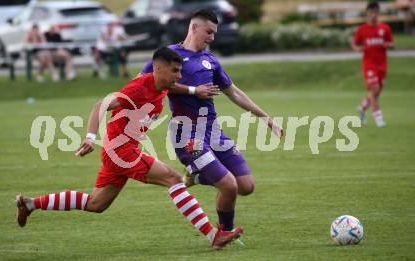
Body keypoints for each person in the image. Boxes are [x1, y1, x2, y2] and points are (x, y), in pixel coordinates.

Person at [15, 47, 243, 250]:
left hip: (118, 152)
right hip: (121, 152)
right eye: (174, 70)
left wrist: (194, 91)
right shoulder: (137, 89)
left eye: (179, 70)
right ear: (157, 68)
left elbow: (175, 87)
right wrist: (89, 137)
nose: (179, 75)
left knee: (96, 204)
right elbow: (100, 104)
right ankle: (213, 236)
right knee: (174, 179)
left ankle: (32, 203)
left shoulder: (162, 84)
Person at [141, 9, 284, 242]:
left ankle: (195, 177)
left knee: (246, 185)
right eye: (209, 31)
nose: (212, 37)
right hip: (187, 134)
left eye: (215, 33)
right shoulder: (170, 55)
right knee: (229, 186)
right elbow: (147, 82)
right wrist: (192, 91)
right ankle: (225, 231)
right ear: (194, 27)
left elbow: (234, 93)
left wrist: (266, 118)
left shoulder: (211, 61)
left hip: (213, 131)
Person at [351, 1, 393, 127]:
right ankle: (379, 119)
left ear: (378, 13)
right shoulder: (362, 29)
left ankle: (362, 108)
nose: (373, 15)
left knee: (376, 93)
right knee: (374, 89)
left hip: (382, 65)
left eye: (376, 12)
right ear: (367, 13)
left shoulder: (385, 28)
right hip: (369, 65)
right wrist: (357, 49)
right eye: (371, 12)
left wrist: (387, 45)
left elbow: (391, 43)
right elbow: (355, 44)